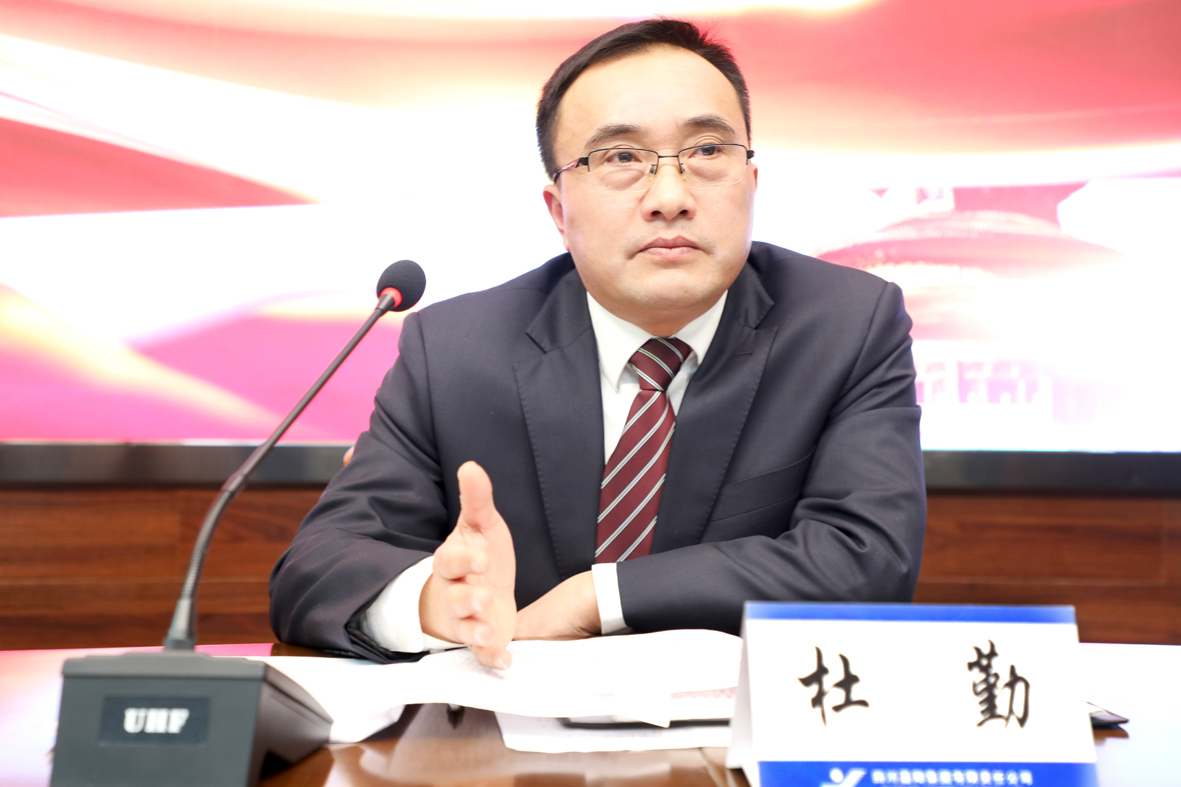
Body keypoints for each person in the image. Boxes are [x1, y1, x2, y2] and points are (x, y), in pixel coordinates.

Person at [269, 19, 925, 670]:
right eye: (620, 158)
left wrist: (599, 597)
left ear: (751, 183)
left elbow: (865, 559)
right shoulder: (454, 350)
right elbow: (318, 568)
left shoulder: (847, 325)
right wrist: (433, 602)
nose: (670, 197)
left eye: (706, 151)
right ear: (559, 211)